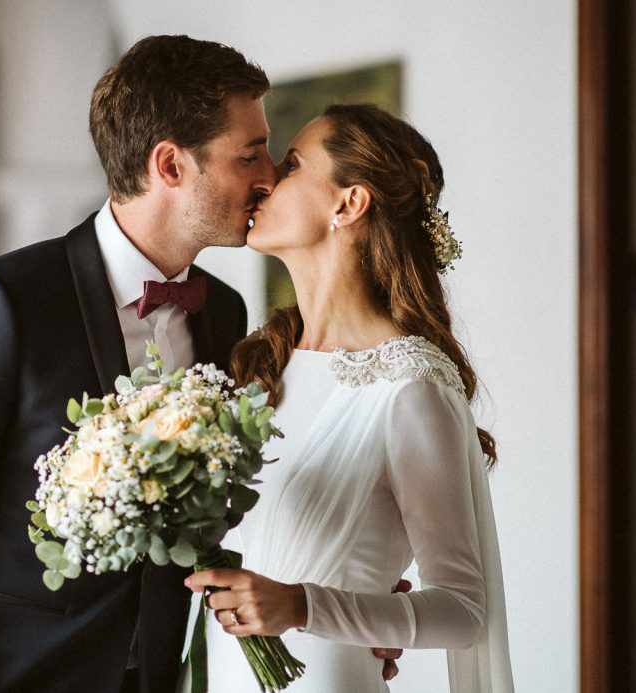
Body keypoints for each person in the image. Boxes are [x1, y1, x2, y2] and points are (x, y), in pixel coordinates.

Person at [0, 35, 274, 692]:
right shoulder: (5, 304)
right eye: (250, 154)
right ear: (170, 165)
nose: (268, 174)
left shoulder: (225, 314)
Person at [184, 104, 514, 692]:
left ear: (348, 203)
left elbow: (464, 611)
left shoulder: (409, 386)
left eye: (290, 165)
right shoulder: (259, 366)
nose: (265, 180)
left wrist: (305, 606)